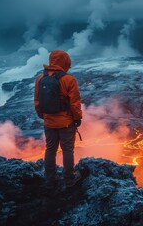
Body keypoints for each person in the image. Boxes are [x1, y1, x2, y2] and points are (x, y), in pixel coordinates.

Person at [34, 50, 82, 189]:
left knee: (50, 149)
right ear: (65, 61)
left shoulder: (40, 78)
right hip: (66, 122)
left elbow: (37, 101)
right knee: (67, 150)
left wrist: (43, 116)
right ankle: (69, 179)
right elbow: (74, 103)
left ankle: (50, 180)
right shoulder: (69, 79)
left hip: (48, 121)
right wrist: (77, 118)